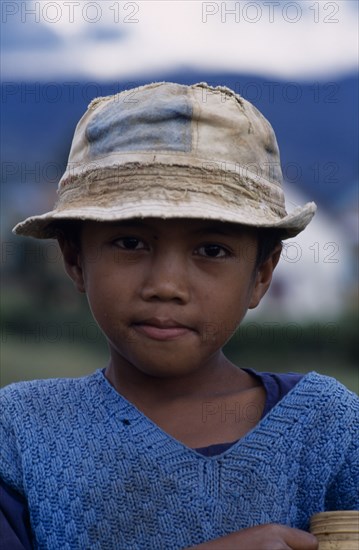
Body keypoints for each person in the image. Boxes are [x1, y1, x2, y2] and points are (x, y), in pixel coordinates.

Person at [0, 82, 357, 550]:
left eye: (212, 249)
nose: (166, 285)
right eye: (130, 242)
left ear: (261, 274)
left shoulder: (330, 430)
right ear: (74, 258)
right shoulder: (22, 432)